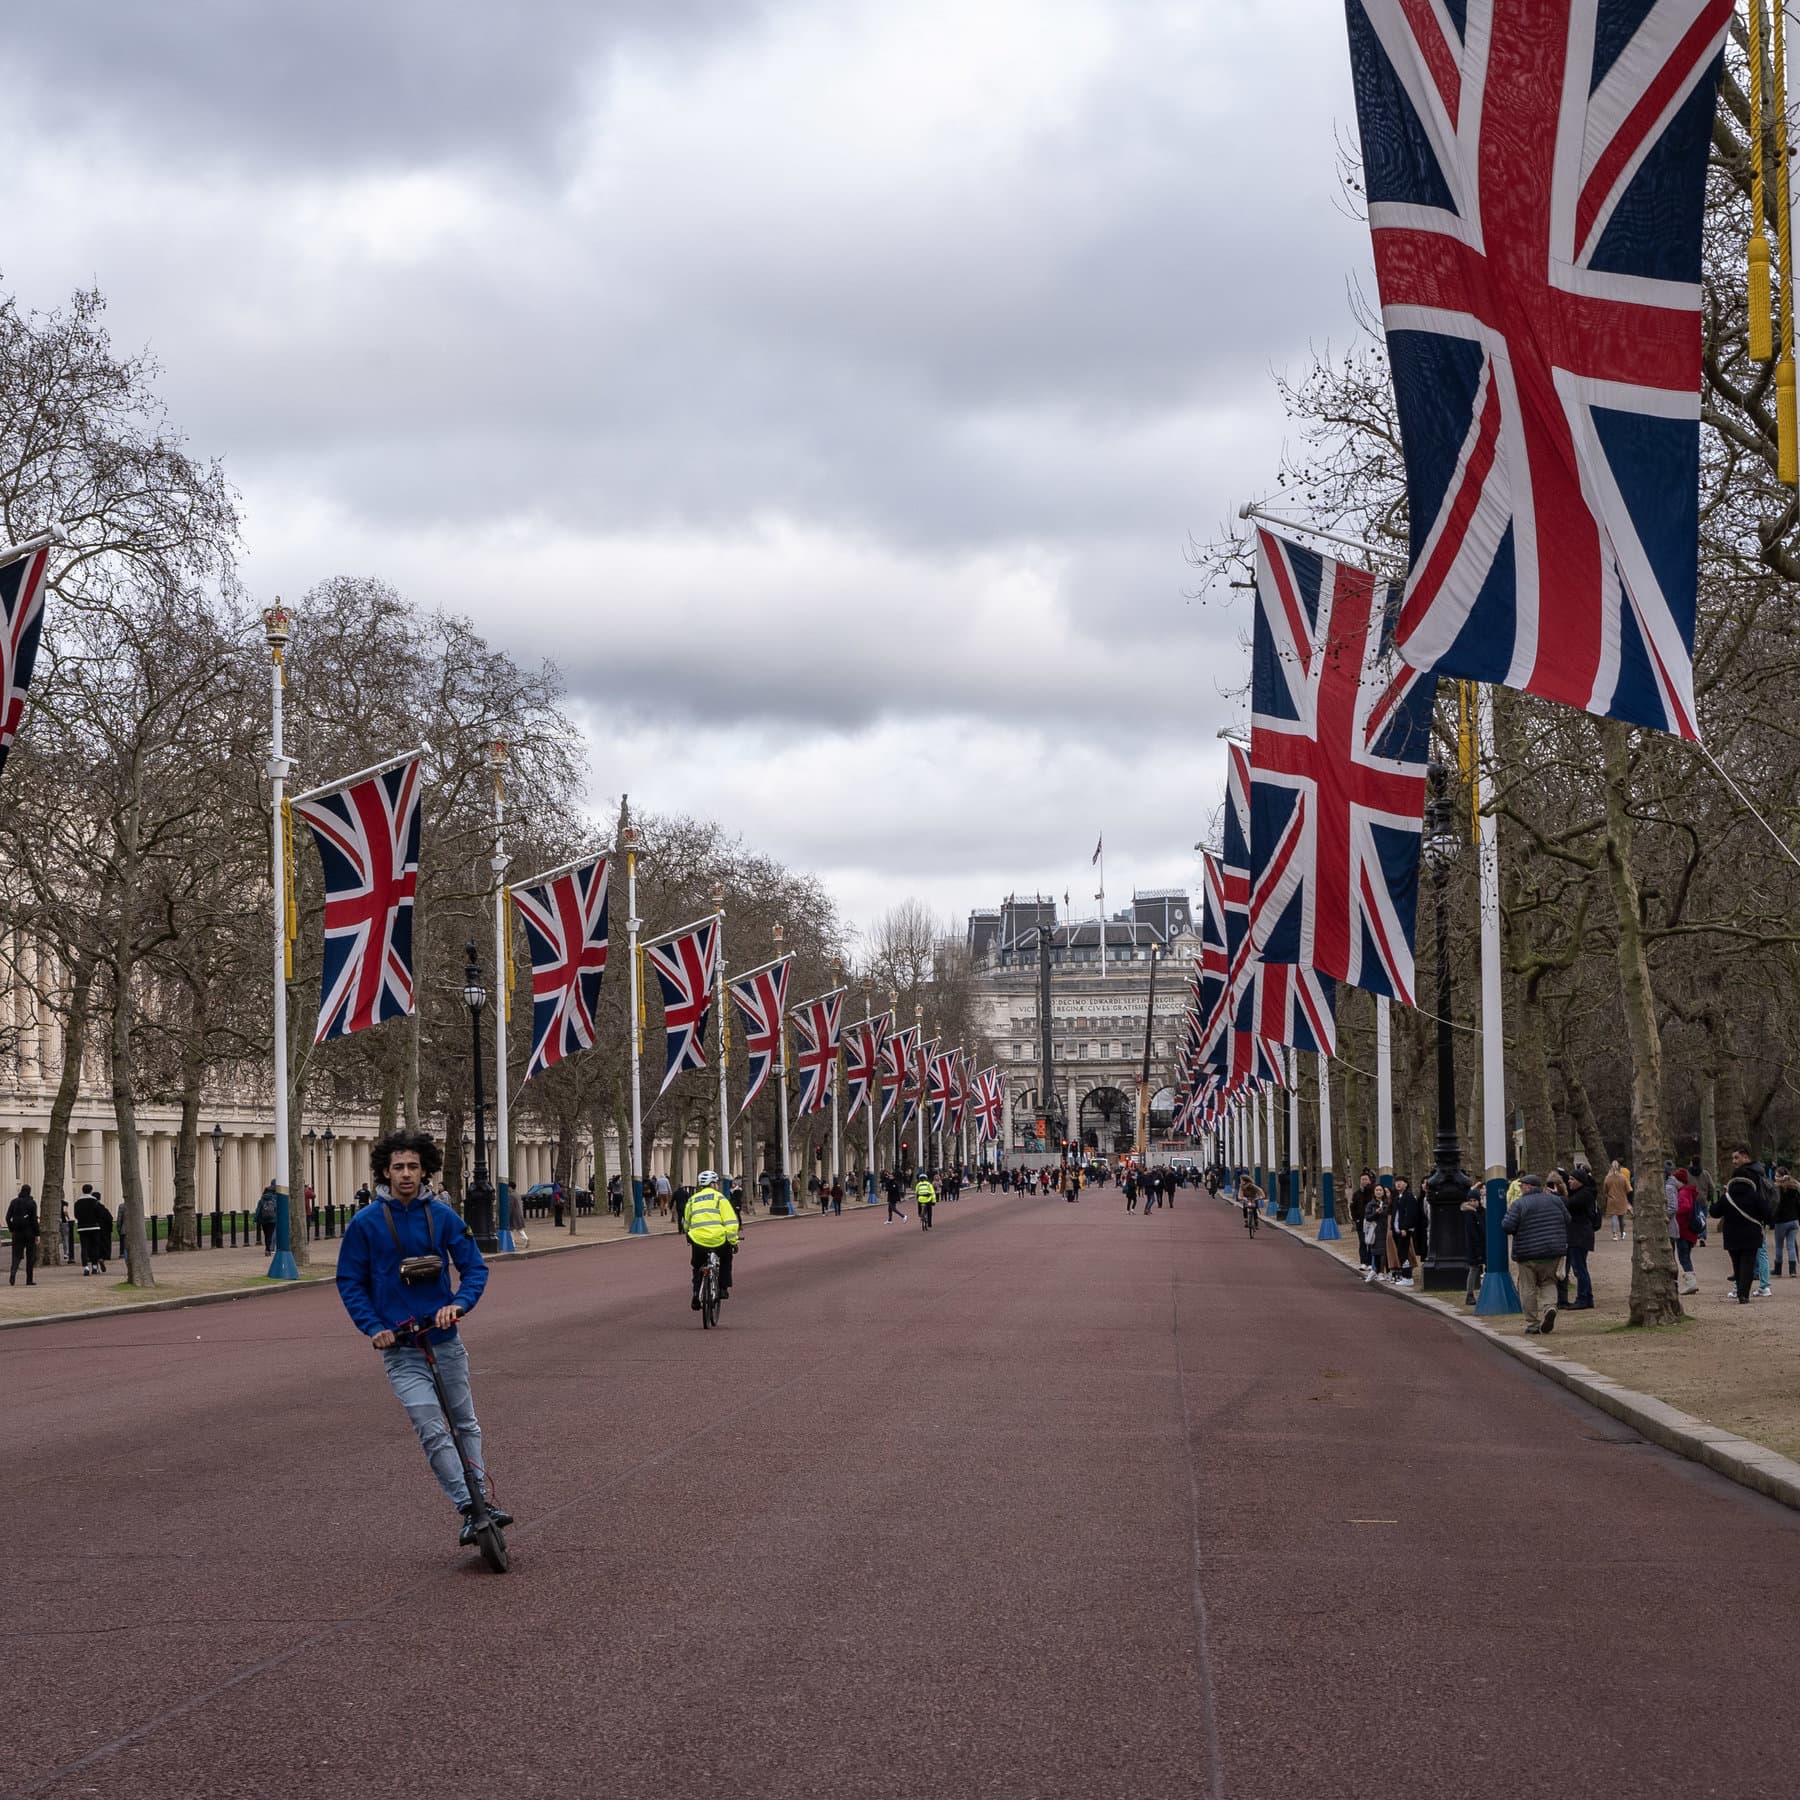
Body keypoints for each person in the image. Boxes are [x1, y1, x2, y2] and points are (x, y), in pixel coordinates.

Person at [335, 1132, 506, 1546]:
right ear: (385, 1172)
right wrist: (373, 1327)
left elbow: (474, 1268)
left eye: (413, 1166)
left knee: (464, 1423)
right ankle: (469, 1507)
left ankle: (482, 1499)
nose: (406, 1174)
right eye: (398, 1167)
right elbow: (350, 1281)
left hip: (444, 1339)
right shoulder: (365, 1224)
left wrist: (459, 1304)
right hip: (400, 1348)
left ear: (424, 1170)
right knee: (430, 1427)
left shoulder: (443, 1216)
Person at [1502, 1173, 1570, 1334]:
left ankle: (1533, 1323)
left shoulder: (1519, 1204)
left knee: (1528, 1288)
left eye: (1521, 1186)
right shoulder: (1555, 1200)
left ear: (1528, 1187)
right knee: (1549, 1282)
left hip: (1527, 1252)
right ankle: (1550, 1307)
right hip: (1552, 1250)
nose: (1520, 1189)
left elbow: (1507, 1226)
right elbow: (1567, 1219)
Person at [1713, 1147, 1772, 1304]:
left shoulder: (1727, 1197)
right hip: (1751, 1235)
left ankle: (1738, 1289)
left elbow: (1714, 1212)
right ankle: (1743, 1294)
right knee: (1748, 1264)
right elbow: (1767, 1214)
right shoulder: (1754, 1196)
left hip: (1732, 1236)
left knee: (1737, 1264)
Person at [681, 1170, 740, 1308]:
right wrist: (733, 1241)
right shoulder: (720, 1198)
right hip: (718, 1239)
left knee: (697, 1266)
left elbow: (686, 1223)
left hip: (698, 1240)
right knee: (726, 1258)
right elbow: (731, 1223)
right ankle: (723, 1288)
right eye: (716, 1183)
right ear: (712, 1184)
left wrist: (689, 1234)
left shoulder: (692, 1200)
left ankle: (696, 1293)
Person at [1557, 1167, 1596, 1310]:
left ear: (1580, 1181)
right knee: (1581, 1267)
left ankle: (1583, 1298)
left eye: (1572, 1179)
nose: (1569, 1182)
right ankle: (1587, 1297)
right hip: (1579, 1235)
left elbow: (1569, 1203)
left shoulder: (1584, 1195)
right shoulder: (1583, 1192)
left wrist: (1557, 1196)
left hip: (1580, 1236)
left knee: (1579, 1269)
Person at [1673, 1169, 1702, 1294]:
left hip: (1684, 1230)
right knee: (1685, 1256)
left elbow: (1685, 1206)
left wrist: (1675, 1212)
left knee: (1683, 1257)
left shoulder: (1683, 1192)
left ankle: (1691, 1283)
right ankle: (1691, 1282)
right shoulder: (1688, 1191)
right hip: (1689, 1231)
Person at [7, 1183, 39, 1287]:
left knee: (16, 1255)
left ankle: (13, 1272)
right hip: (29, 1232)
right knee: (30, 1256)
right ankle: (29, 1279)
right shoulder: (32, 1203)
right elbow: (34, 1220)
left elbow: (7, 1217)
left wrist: (11, 1228)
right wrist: (37, 1234)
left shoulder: (14, 1202)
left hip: (17, 1232)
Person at [74, 1183, 109, 1275]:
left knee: (84, 1247)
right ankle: (94, 1266)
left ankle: (85, 1267)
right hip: (94, 1227)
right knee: (95, 1246)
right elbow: (99, 1214)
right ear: (91, 1191)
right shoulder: (94, 1202)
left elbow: (76, 1215)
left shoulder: (78, 1203)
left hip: (82, 1227)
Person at [1773, 1165, 1800, 1279]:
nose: (1775, 1177)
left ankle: (1778, 1270)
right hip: (1794, 1220)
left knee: (1779, 1246)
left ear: (1780, 1177)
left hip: (1781, 1221)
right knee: (1791, 1246)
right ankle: (1792, 1270)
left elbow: (1775, 1205)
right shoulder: (1794, 1188)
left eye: (1776, 1175)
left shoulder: (1777, 1189)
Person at [1602, 1160, 1632, 1238]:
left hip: (1611, 1199)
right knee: (1621, 1217)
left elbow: (1604, 1190)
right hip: (1622, 1199)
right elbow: (1629, 1189)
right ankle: (1622, 1233)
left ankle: (1614, 1234)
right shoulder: (1623, 1177)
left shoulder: (1607, 1178)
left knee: (1613, 1217)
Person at [255, 1181, 278, 1253]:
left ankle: (267, 1248)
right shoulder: (274, 1199)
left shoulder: (261, 1200)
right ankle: (269, 1249)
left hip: (264, 1220)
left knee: (266, 1234)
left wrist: (256, 1219)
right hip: (272, 1220)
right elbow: (276, 1209)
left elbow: (258, 1210)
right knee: (270, 1234)